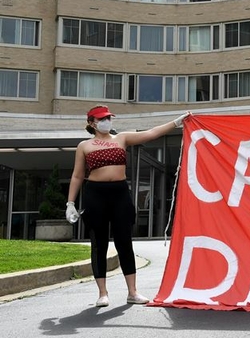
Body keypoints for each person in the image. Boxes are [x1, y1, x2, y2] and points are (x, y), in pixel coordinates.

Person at [67, 105, 189, 308]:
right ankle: (103, 293)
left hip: (120, 193)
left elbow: (151, 134)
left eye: (108, 117)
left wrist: (176, 122)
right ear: (91, 123)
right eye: (102, 118)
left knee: (124, 241)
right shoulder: (84, 146)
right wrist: (70, 202)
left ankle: (132, 292)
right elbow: (78, 175)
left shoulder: (121, 138)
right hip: (95, 193)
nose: (107, 121)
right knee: (99, 243)